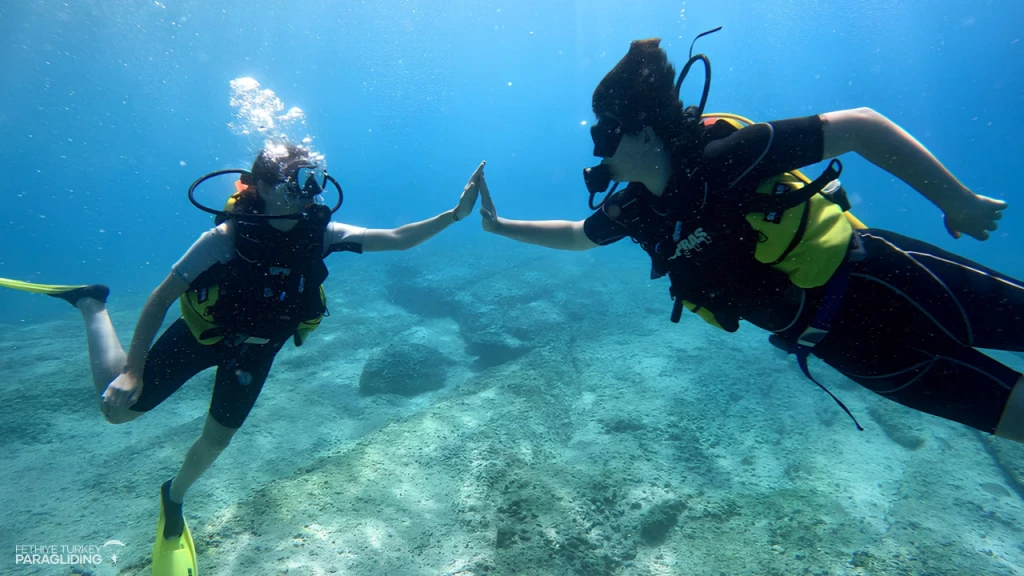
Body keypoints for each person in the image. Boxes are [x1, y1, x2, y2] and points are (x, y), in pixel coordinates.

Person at [476, 36, 1023, 445]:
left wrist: (957, 201)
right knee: (1012, 416)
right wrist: (500, 228)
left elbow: (861, 125)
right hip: (847, 347)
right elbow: (577, 236)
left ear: (643, 130)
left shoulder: (729, 156)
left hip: (888, 278)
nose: (598, 150)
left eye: (604, 133)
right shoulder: (638, 211)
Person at [1, 143, 485, 571]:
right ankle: (93, 303)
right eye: (298, 181)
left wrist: (454, 215)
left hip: (255, 352)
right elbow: (160, 298)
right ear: (266, 188)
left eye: (313, 179)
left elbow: (399, 238)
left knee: (215, 442)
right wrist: (131, 371)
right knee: (116, 412)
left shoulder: (323, 233)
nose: (310, 192)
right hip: (201, 334)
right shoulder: (226, 237)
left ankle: (174, 495)